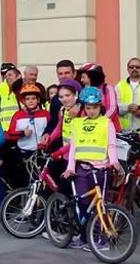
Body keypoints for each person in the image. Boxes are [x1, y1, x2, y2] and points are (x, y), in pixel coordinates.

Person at [61, 86, 120, 247]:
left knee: (102, 205)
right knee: (83, 203)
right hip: (82, 169)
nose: (91, 111)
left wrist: (114, 162)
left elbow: (111, 145)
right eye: (88, 108)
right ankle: (84, 236)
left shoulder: (106, 123)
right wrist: (70, 168)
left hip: (101, 169)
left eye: (94, 107)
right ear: (83, 107)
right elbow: (73, 147)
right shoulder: (77, 123)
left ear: (100, 106)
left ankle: (103, 238)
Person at [7, 84, 52, 186]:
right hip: (24, 154)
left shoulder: (45, 114)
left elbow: (51, 131)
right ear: (23, 101)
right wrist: (22, 133)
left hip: (41, 153)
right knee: (25, 182)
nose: (31, 101)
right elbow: (9, 135)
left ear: (38, 100)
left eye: (33, 98)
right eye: (27, 99)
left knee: (42, 182)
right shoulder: (18, 115)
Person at [78, 63, 120, 132]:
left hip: (110, 130)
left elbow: (112, 109)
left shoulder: (107, 89)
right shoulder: (84, 91)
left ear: (92, 77)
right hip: (91, 130)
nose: (81, 80)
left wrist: (100, 122)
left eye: (83, 77)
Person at [115, 58, 140, 132]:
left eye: (137, 67)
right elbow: (115, 106)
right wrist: (127, 107)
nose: (134, 69)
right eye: (131, 67)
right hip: (125, 130)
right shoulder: (119, 86)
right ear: (127, 69)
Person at [0, 63, 21, 131]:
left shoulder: (21, 87)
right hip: (3, 129)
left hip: (17, 128)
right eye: (4, 75)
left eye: (10, 75)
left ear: (18, 76)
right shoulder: (1, 87)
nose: (6, 77)